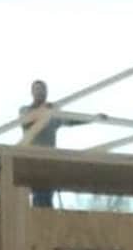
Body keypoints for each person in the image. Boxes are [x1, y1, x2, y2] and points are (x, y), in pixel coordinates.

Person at [18, 79, 104, 208]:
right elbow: (25, 122)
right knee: (34, 193)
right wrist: (44, 110)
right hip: (32, 160)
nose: (40, 93)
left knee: (45, 195)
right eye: (37, 90)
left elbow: (71, 120)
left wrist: (92, 118)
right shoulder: (25, 110)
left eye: (43, 90)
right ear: (32, 92)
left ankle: (43, 217)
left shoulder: (53, 114)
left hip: (48, 162)